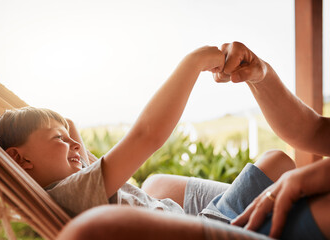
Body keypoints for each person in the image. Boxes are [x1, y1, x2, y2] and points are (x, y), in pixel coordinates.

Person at [56, 42, 330, 240]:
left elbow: (147, 134)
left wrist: (195, 61)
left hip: (222, 219)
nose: (75, 145)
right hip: (216, 217)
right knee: (156, 184)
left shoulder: (71, 187)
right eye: (59, 138)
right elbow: (315, 130)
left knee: (93, 229)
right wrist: (262, 74)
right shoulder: (72, 187)